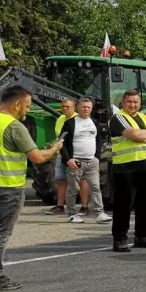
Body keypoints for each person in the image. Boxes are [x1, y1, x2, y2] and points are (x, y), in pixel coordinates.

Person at [0, 86, 64, 291]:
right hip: (8, 186)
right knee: (0, 233)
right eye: (26, 106)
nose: (26, 111)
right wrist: (55, 148)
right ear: (17, 104)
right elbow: (37, 158)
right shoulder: (14, 126)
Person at [108, 89, 146, 253]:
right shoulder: (118, 118)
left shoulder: (144, 118)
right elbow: (132, 134)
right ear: (123, 103)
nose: (132, 105)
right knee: (123, 205)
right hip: (126, 167)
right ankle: (119, 239)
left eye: (136, 102)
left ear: (140, 104)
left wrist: (143, 136)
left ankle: (142, 236)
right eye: (129, 102)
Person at [60, 96, 109, 224]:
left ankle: (100, 213)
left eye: (88, 107)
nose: (86, 109)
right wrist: (68, 159)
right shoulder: (69, 123)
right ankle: (72, 214)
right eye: (83, 107)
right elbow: (62, 143)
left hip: (92, 161)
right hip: (75, 161)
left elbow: (98, 141)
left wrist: (97, 157)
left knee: (96, 187)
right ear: (77, 108)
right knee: (73, 188)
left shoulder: (94, 122)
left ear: (91, 108)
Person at [48, 97, 77, 215]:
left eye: (67, 107)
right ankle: (60, 206)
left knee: (75, 182)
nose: (64, 109)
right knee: (60, 180)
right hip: (61, 155)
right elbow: (59, 137)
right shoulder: (60, 119)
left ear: (74, 108)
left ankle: (78, 207)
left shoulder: (78, 120)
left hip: (73, 155)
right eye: (63, 107)